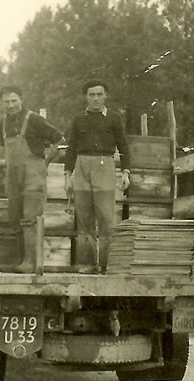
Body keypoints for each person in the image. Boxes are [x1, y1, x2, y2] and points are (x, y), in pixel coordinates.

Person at [64, 79, 130, 273]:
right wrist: (68, 176)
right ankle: (88, 264)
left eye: (99, 94)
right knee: (84, 217)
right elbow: (71, 149)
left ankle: (106, 265)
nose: (95, 99)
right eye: (91, 95)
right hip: (82, 166)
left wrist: (126, 172)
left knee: (105, 217)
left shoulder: (114, 118)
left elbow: (124, 147)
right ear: (86, 97)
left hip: (105, 166)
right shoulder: (78, 119)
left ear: (105, 96)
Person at [0, 85, 63, 272]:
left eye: (14, 101)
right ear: (2, 103)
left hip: (33, 174)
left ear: (21, 100)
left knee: (31, 216)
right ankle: (22, 260)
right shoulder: (2, 124)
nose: (11, 105)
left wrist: (46, 161)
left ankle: (32, 262)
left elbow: (59, 139)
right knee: (15, 216)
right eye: (6, 102)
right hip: (13, 176)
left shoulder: (34, 119)